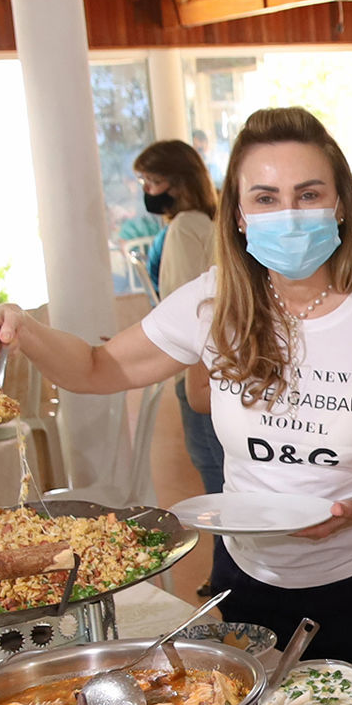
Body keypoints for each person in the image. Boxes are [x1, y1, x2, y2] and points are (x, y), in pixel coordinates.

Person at [0, 107, 352, 705]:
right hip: (248, 581)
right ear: (239, 214)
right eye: (266, 197)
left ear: (340, 204)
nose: (289, 213)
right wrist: (24, 329)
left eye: (308, 194)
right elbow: (100, 369)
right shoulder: (213, 304)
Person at [134, 139, 224, 496]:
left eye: (152, 181)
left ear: (179, 181)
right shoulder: (197, 223)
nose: (147, 191)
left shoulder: (186, 226)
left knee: (216, 479)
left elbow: (192, 308)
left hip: (198, 371)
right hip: (203, 371)